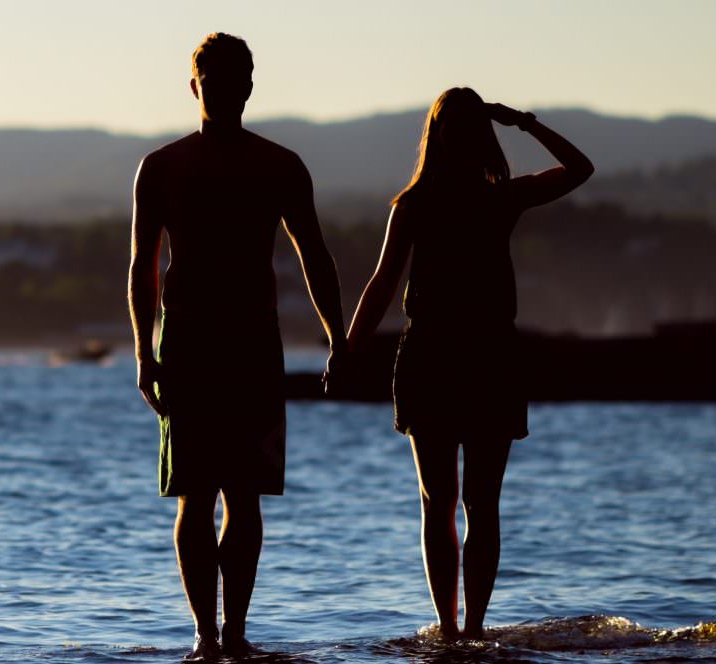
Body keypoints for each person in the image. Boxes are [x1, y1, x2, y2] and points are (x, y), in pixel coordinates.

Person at [340, 88, 593, 640]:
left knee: (443, 504)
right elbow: (579, 168)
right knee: (478, 503)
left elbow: (382, 283)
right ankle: (467, 628)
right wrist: (523, 123)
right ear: (482, 136)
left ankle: (454, 629)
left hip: (446, 354)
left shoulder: (431, 201)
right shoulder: (489, 198)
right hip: (477, 355)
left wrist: (347, 349)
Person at [127, 32, 346, 661]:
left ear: (249, 86)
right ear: (195, 85)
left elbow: (316, 258)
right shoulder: (162, 167)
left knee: (242, 494)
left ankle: (234, 633)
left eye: (232, 80)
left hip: (251, 339)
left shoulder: (279, 165)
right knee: (197, 494)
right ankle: (206, 634)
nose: (222, 90)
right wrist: (145, 352)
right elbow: (142, 267)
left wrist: (339, 339)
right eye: (213, 81)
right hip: (190, 339)